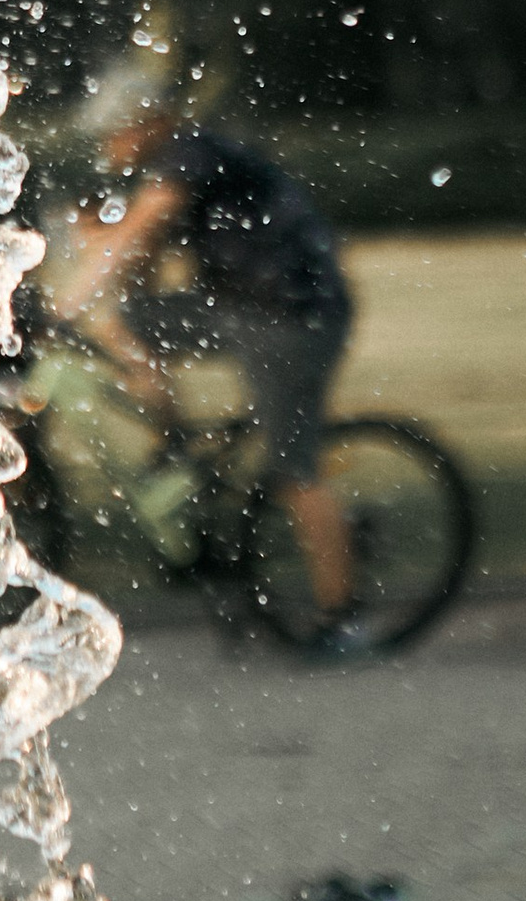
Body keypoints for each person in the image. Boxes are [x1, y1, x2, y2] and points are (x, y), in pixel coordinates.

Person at [52, 55, 362, 628]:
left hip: (289, 318)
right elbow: (136, 257)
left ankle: (342, 619)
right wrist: (98, 251)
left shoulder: (189, 154)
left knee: (294, 470)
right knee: (127, 323)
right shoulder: (176, 161)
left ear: (146, 123)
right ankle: (174, 446)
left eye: (111, 132)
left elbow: (139, 230)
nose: (106, 146)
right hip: (242, 310)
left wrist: (63, 307)